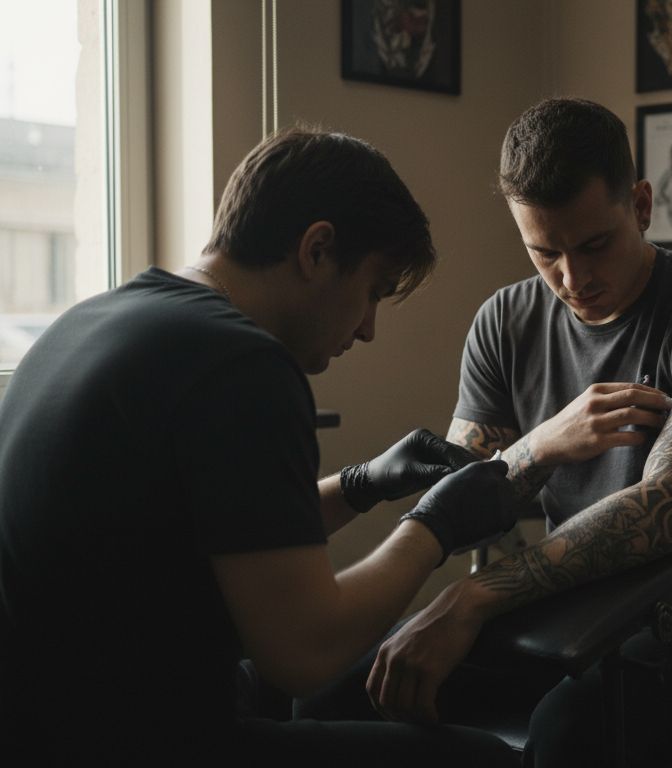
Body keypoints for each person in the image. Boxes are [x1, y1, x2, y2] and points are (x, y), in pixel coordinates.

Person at [0, 127, 518, 765]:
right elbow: (305, 651)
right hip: (135, 742)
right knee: (488, 759)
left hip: (46, 722)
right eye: (373, 291)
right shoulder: (243, 365)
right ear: (317, 250)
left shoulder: (97, 319)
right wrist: (436, 526)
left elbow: (231, 536)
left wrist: (361, 484)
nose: (367, 329)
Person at [304, 97, 672, 765]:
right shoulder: (505, 322)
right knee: (335, 696)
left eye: (595, 246)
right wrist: (540, 445)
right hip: (568, 605)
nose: (573, 277)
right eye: (544, 252)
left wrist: (472, 597)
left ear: (641, 207)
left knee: (568, 734)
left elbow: (664, 515)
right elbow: (464, 495)